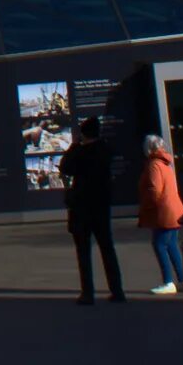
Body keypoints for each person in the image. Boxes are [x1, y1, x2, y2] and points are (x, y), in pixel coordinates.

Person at [61, 117, 124, 303]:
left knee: (83, 251)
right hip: (101, 206)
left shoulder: (80, 152)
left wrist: (74, 147)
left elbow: (66, 168)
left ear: (83, 133)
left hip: (82, 207)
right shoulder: (105, 150)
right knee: (107, 248)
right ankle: (117, 290)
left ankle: (88, 292)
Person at [138, 134, 183, 298]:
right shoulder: (166, 163)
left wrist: (146, 207)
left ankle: (168, 282)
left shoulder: (154, 165)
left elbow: (154, 190)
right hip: (174, 210)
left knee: (159, 245)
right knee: (172, 244)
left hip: (163, 212)